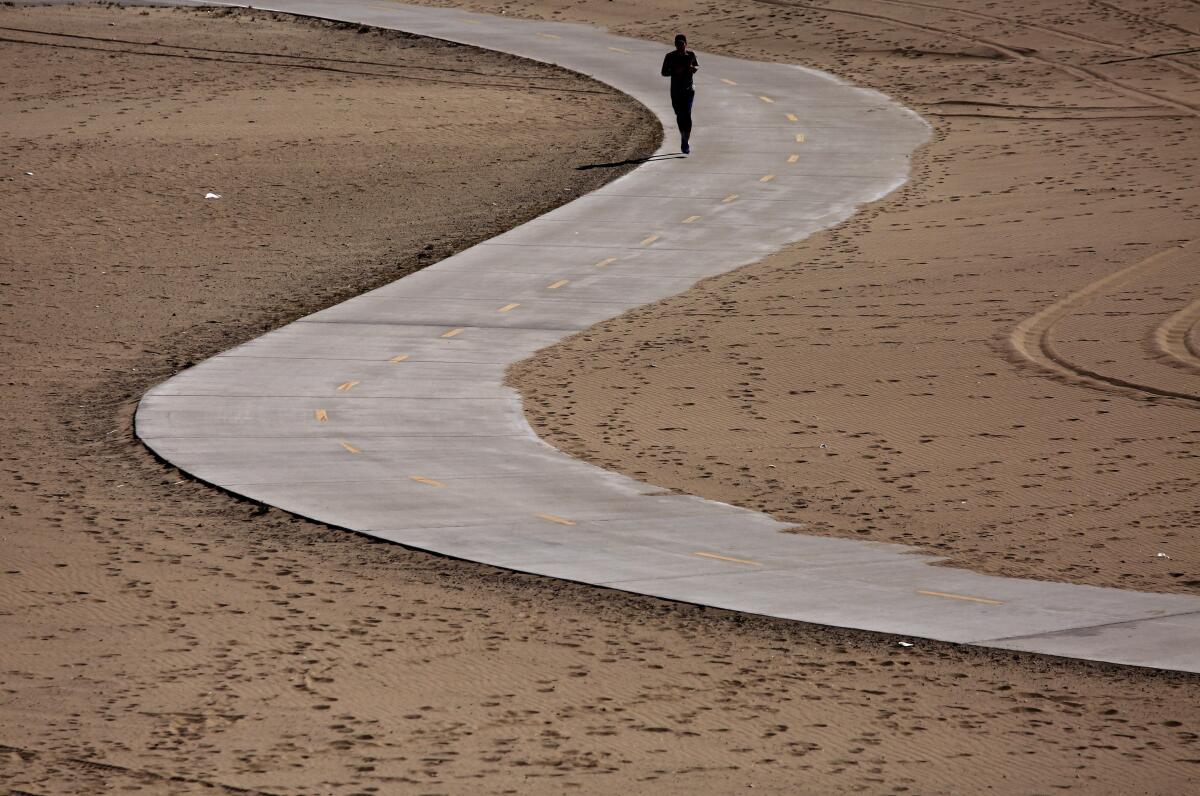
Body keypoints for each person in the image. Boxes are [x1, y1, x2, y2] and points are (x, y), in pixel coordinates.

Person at [661, 34, 699, 154]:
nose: (680, 46)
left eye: (682, 44)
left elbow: (697, 65)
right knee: (679, 116)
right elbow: (663, 72)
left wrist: (694, 68)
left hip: (689, 90)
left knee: (687, 115)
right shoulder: (670, 57)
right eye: (678, 44)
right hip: (676, 91)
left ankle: (685, 141)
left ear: (686, 44)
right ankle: (683, 136)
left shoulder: (691, 55)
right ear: (675, 45)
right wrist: (674, 71)